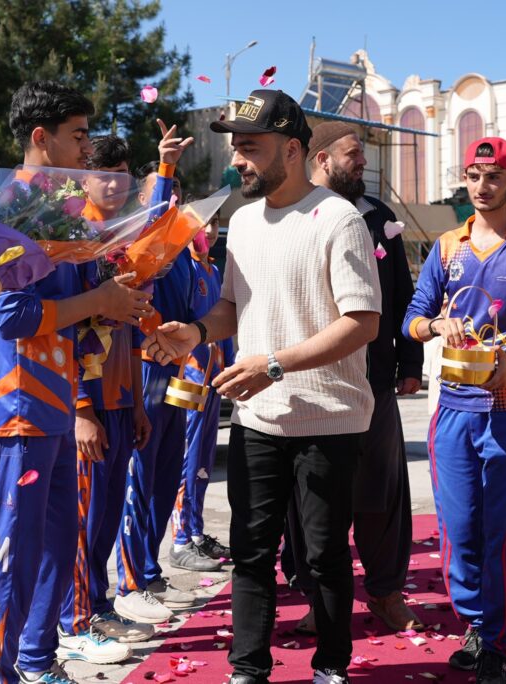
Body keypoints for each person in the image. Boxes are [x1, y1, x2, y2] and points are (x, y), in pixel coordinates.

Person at [144, 89, 382, 684]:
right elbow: (231, 307)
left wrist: (273, 365)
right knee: (250, 551)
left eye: (251, 148)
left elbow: (362, 323)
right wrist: (194, 331)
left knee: (325, 557)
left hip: (329, 419)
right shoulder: (243, 220)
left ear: (294, 149)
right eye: (236, 149)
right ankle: (247, 669)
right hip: (257, 417)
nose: (239, 161)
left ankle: (330, 667)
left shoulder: (339, 219)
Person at [0, 81, 155, 684]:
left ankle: (37, 659)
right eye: (78, 136)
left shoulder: (60, 216)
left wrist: (117, 303)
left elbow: (71, 313)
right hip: (15, 404)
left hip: (51, 401)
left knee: (56, 543)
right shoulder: (4, 210)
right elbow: (10, 317)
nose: (86, 149)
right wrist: (96, 298)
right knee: (13, 550)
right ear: (40, 139)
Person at [403, 137, 506, 684]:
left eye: (493, 176)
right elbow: (413, 317)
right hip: (452, 406)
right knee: (459, 528)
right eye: (474, 176)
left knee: (502, 529)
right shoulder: (446, 247)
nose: (482, 186)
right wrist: (436, 326)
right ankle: (474, 623)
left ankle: (499, 642)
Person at [285, 121, 424, 634]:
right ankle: (316, 600)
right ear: (320, 159)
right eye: (352, 154)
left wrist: (409, 365)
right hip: (310, 385)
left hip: (373, 382)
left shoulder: (380, 219)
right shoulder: (294, 216)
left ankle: (386, 592)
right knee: (312, 496)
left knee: (382, 492)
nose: (361, 162)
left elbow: (405, 301)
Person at [57, 135, 159, 660]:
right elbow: (64, 334)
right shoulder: (73, 241)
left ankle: (97, 603)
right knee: (80, 515)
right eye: (108, 177)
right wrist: (79, 409)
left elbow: (133, 329)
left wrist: (138, 404)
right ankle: (72, 619)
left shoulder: (123, 241)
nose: (118, 187)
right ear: (83, 178)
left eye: (124, 176)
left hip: (121, 396)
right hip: (88, 404)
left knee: (107, 512)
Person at [113, 151, 213, 628]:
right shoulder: (142, 238)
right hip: (144, 369)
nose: (168, 199)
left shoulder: (185, 255)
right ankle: (129, 582)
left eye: (173, 192)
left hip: (176, 371)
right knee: (139, 475)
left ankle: (149, 573)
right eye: (159, 191)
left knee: (165, 473)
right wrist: (165, 166)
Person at [170, 213, 235, 568]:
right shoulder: (185, 268)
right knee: (187, 455)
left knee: (205, 457)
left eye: (214, 224)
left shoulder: (212, 271)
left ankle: (195, 532)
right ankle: (180, 539)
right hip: (186, 379)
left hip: (212, 378)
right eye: (203, 224)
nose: (209, 231)